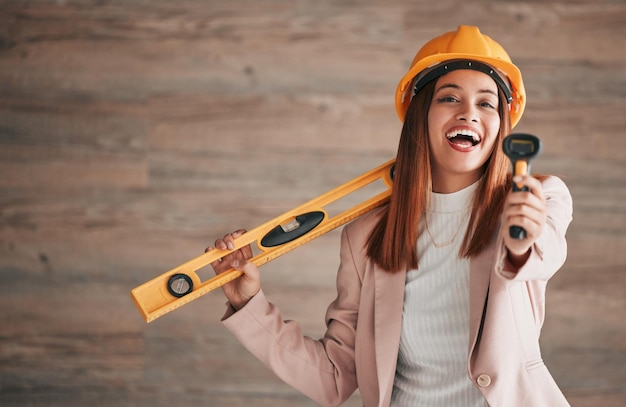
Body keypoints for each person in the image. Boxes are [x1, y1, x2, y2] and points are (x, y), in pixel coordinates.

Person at [206, 25, 573, 407]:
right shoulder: (366, 237)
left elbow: (543, 252)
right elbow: (333, 377)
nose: (469, 113)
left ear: (502, 126)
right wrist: (249, 305)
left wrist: (520, 241)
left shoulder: (538, 197)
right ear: (421, 115)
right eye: (450, 98)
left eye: (486, 103)